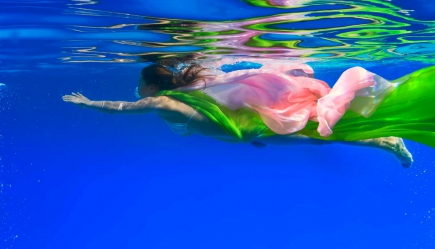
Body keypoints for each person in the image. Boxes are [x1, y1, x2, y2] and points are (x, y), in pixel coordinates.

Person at [63, 60, 435, 168]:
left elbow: (126, 109)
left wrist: (89, 103)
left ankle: (388, 141)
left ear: (152, 88)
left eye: (140, 85)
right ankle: (386, 141)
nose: (138, 91)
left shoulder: (163, 102)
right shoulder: (188, 98)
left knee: (318, 135)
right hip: (246, 130)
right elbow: (215, 115)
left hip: (247, 131)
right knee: (315, 136)